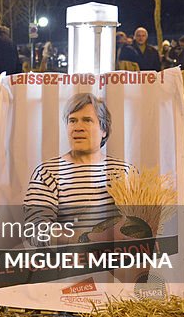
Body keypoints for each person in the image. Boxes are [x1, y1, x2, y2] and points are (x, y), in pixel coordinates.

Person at [24, 93, 133, 237]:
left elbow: (140, 224)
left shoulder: (124, 172)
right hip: (67, 258)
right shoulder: (47, 172)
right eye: (72, 121)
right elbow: (35, 230)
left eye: (87, 120)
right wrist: (87, 239)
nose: (78, 127)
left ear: (104, 130)